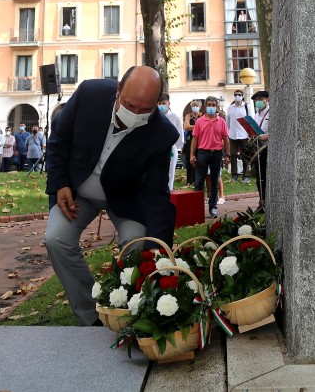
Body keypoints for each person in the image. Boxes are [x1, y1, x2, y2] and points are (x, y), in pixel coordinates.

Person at [45, 65, 179, 326]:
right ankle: (91, 313)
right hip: (76, 193)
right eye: (130, 105)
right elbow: (59, 139)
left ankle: (130, 307)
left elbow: (157, 196)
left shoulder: (162, 134)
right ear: (118, 90)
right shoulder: (89, 94)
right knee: (56, 239)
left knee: (136, 243)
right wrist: (60, 183)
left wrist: (158, 257)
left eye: (145, 109)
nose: (136, 113)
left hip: (126, 198)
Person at [190, 95, 229, 218]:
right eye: (209, 105)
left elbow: (226, 139)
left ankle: (213, 208)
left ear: (217, 107)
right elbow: (194, 139)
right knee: (199, 182)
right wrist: (192, 154)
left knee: (214, 183)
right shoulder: (200, 121)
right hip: (202, 153)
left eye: (213, 105)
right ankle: (196, 209)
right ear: (205, 106)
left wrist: (227, 155)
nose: (211, 107)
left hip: (217, 154)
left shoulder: (221, 122)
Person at [157, 92, 183, 191]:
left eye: (163, 103)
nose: (161, 106)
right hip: (157, 149)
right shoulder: (154, 117)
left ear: (168, 104)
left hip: (171, 149)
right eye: (159, 103)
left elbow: (179, 135)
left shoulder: (175, 117)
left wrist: (175, 146)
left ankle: (169, 194)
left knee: (170, 174)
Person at [225, 89, 252, 183]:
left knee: (245, 155)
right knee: (233, 154)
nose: (237, 96)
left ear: (242, 96)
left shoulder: (246, 107)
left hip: (244, 134)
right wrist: (227, 133)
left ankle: (246, 175)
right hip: (232, 135)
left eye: (239, 94)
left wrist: (250, 134)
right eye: (235, 94)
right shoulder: (230, 107)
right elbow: (227, 121)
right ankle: (234, 175)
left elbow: (250, 120)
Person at [251, 90, 269, 206]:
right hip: (258, 148)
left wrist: (265, 136)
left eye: (260, 99)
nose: (258, 102)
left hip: (268, 148)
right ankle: (261, 201)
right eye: (256, 100)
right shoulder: (256, 115)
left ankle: (268, 201)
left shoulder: (272, 112)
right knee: (259, 176)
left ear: (266, 100)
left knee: (266, 176)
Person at [182, 101, 201, 186]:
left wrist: (193, 127)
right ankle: (189, 180)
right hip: (190, 139)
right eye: (193, 106)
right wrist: (198, 127)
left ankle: (196, 179)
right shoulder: (188, 116)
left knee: (199, 158)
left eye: (196, 106)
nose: (195, 107)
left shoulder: (202, 116)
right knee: (189, 157)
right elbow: (186, 126)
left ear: (200, 107)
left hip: (200, 139)